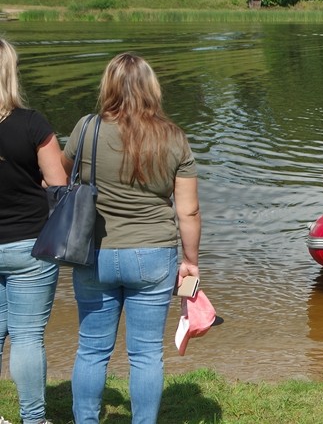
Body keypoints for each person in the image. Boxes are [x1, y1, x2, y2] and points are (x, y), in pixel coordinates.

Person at [64, 53, 201, 424]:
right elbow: (187, 211)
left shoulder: (86, 128)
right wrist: (191, 261)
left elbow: (64, 178)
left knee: (91, 350)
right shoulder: (174, 137)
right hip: (154, 255)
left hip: (94, 252)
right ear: (151, 88)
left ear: (107, 85)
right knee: (145, 354)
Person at [0, 38, 67, 424]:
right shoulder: (32, 123)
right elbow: (59, 187)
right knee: (26, 336)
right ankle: (34, 418)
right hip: (28, 243)